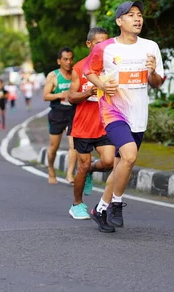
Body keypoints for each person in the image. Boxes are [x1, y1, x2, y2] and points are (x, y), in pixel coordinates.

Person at [84, 1, 165, 229]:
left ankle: (99, 210)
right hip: (113, 111)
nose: (137, 19)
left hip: (138, 114)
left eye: (139, 15)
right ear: (120, 21)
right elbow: (88, 70)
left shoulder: (151, 47)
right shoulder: (106, 48)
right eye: (131, 15)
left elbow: (157, 82)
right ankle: (116, 204)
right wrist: (102, 85)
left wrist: (151, 72)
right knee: (129, 156)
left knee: (122, 165)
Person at [67, 27, 115, 228]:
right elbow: (71, 97)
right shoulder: (79, 68)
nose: (102, 47)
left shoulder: (112, 67)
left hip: (105, 124)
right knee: (83, 165)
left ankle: (89, 172)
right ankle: (76, 205)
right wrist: (88, 93)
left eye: (105, 43)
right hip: (84, 126)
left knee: (109, 162)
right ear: (89, 45)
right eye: (98, 43)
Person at [43, 47, 77, 184]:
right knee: (53, 147)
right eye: (65, 59)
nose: (69, 62)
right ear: (59, 61)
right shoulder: (53, 76)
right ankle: (51, 169)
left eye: (70, 59)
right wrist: (59, 95)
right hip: (57, 113)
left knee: (73, 144)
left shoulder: (76, 73)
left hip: (73, 113)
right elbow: (45, 96)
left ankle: (69, 174)